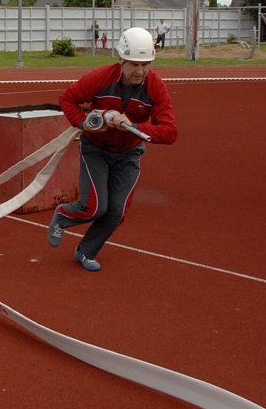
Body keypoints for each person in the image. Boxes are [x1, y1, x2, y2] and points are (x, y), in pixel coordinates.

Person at [47, 27, 177, 271]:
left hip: (129, 153)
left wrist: (134, 126)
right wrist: (84, 123)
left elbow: (170, 132)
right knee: (95, 207)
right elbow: (68, 99)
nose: (140, 71)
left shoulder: (155, 86)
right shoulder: (102, 77)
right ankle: (63, 215)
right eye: (133, 64)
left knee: (116, 212)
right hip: (96, 149)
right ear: (120, 59)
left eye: (145, 64)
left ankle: (86, 251)